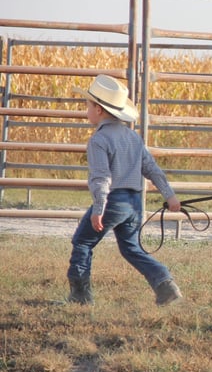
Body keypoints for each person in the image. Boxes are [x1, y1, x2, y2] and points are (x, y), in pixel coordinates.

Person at [66, 74, 183, 306]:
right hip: (134, 203)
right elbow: (152, 169)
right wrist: (169, 195)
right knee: (131, 248)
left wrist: (98, 209)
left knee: (82, 242)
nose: (86, 110)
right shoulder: (133, 137)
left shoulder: (99, 140)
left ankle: (80, 296)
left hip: (112, 200)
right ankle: (164, 283)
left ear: (98, 109)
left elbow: (101, 178)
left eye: (88, 105)